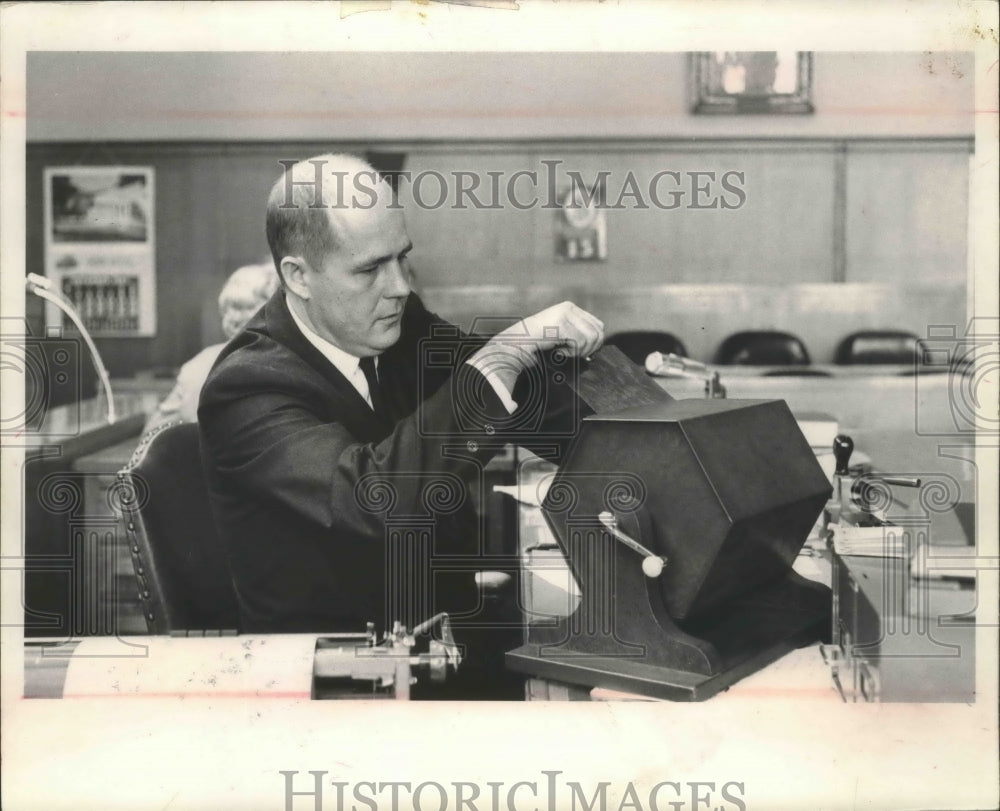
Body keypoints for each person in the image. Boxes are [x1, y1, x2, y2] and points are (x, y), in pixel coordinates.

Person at [198, 155, 604, 678]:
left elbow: (509, 392)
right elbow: (375, 497)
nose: (400, 287)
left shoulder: (393, 321)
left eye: (402, 259)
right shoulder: (247, 385)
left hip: (439, 641)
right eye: (369, 269)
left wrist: (640, 429)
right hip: (335, 684)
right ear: (297, 276)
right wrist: (506, 352)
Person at [144, 263, 277, 434]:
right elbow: (152, 438)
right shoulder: (201, 365)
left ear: (275, 312)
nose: (233, 318)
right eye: (227, 309)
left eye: (245, 308)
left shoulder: (293, 362)